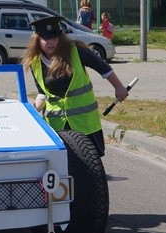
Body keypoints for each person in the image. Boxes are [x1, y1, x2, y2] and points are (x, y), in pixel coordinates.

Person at [21, 16, 128, 157]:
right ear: (37, 40)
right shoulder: (35, 62)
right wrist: (32, 112)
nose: (50, 42)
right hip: (57, 123)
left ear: (60, 37)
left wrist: (119, 87)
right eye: (45, 39)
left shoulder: (75, 51)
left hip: (83, 122)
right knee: (63, 163)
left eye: (54, 38)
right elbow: (42, 93)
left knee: (90, 165)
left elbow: (103, 68)